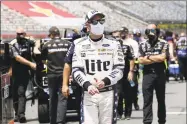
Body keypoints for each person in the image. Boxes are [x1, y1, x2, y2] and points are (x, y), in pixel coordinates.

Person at [71, 10, 125, 124]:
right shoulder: (79, 45)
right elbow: (76, 70)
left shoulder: (114, 44)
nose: (99, 24)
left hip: (108, 93)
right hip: (88, 93)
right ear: (87, 25)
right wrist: (88, 85)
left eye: (101, 21)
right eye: (95, 21)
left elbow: (119, 69)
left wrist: (105, 81)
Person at [138, 24, 169, 124]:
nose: (151, 35)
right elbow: (140, 60)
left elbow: (162, 58)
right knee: (147, 100)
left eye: (153, 32)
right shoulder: (142, 44)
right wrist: (154, 58)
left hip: (160, 73)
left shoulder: (164, 43)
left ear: (157, 32)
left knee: (161, 99)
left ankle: (162, 121)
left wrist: (148, 57)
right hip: (147, 74)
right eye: (149, 32)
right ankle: (147, 121)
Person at [41, 26, 71, 124]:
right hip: (64, 74)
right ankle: (60, 121)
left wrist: (49, 65)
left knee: (53, 98)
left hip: (52, 74)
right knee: (63, 98)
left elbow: (42, 60)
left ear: (51, 35)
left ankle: (53, 121)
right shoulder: (68, 44)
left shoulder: (46, 45)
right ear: (59, 34)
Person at [9, 27, 36, 123]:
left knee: (21, 92)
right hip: (15, 72)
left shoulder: (28, 42)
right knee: (14, 94)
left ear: (24, 34)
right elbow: (17, 58)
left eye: (21, 34)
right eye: (18, 34)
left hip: (25, 72)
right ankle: (17, 114)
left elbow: (37, 45)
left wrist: (35, 43)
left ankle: (21, 114)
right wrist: (30, 63)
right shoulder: (13, 44)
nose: (20, 36)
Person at [115, 27, 136, 120]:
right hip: (116, 75)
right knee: (119, 94)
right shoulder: (110, 48)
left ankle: (128, 114)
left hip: (126, 73)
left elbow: (131, 59)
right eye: (115, 37)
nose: (117, 39)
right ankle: (119, 113)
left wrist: (131, 72)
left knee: (128, 94)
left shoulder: (127, 47)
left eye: (118, 37)